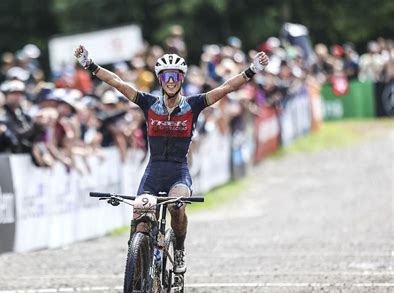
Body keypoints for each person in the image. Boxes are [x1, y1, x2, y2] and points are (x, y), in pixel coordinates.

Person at [74, 45, 269, 274]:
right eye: (166, 76)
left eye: (175, 76)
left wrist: (253, 69)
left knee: (177, 209)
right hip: (153, 172)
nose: (170, 80)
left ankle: (179, 250)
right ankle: (136, 259)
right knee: (140, 215)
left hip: (178, 172)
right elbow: (117, 82)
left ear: (181, 79)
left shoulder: (193, 104)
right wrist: (90, 65)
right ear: (160, 79)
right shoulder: (148, 103)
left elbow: (226, 88)